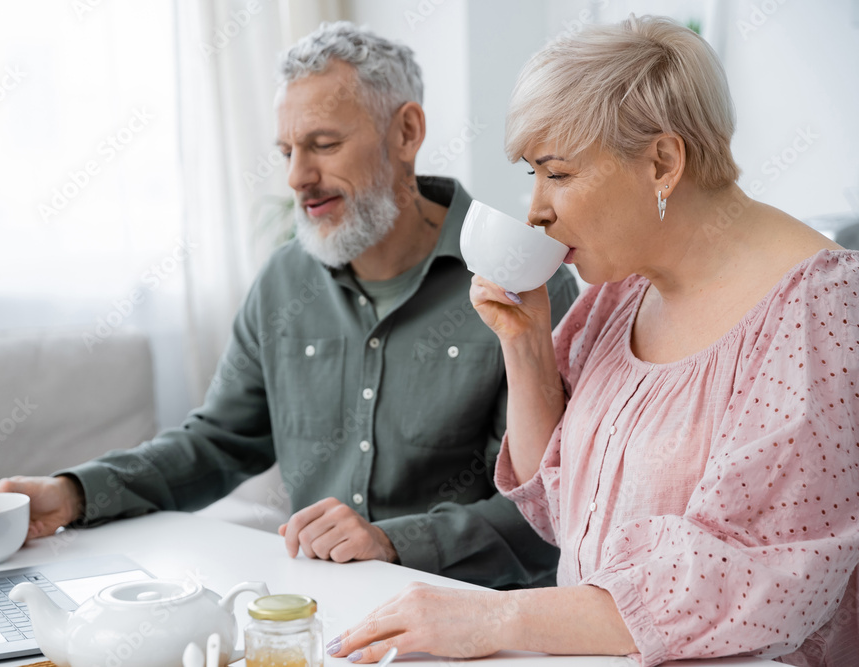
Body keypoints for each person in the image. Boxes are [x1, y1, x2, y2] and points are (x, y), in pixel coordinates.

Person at [328, 15, 858, 667]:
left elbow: (739, 577)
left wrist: (494, 615)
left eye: (557, 174)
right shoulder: (619, 290)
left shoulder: (822, 308)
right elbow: (558, 511)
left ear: (662, 162)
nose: (535, 210)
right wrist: (524, 347)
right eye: (532, 175)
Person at [0, 22, 579, 590]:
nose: (298, 176)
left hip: (468, 622)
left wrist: (391, 542)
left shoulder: (524, 287)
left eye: (323, 144)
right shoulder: (283, 281)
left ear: (406, 133)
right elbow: (215, 443)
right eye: (287, 151)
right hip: (317, 610)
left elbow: (546, 511)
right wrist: (73, 493)